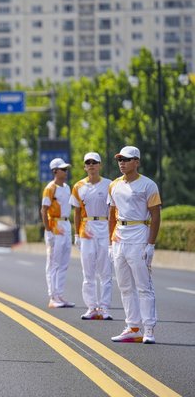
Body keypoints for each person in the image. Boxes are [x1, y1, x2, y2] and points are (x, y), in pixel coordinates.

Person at [108, 146, 161, 344]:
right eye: (120, 159)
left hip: (139, 236)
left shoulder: (148, 185)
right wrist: (110, 244)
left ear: (137, 162)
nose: (122, 162)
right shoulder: (114, 185)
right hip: (119, 238)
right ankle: (133, 327)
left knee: (143, 286)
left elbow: (156, 215)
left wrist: (151, 244)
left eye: (127, 159)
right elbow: (112, 215)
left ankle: (149, 329)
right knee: (124, 286)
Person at [70, 152, 113, 320]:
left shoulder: (109, 184)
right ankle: (91, 307)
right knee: (88, 271)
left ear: (100, 165)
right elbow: (77, 211)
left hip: (104, 226)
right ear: (84, 166)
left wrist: (112, 233)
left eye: (94, 162)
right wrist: (76, 234)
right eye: (88, 163)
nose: (91, 165)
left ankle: (105, 308)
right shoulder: (78, 186)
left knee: (105, 271)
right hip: (86, 229)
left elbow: (113, 211)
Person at [41, 158, 75, 308]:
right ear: (55, 171)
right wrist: (48, 230)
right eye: (63, 169)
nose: (65, 172)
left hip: (66, 224)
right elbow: (44, 210)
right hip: (54, 225)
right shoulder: (50, 188)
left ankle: (60, 295)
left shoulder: (67, 187)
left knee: (64, 262)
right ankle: (53, 297)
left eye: (66, 169)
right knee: (54, 263)